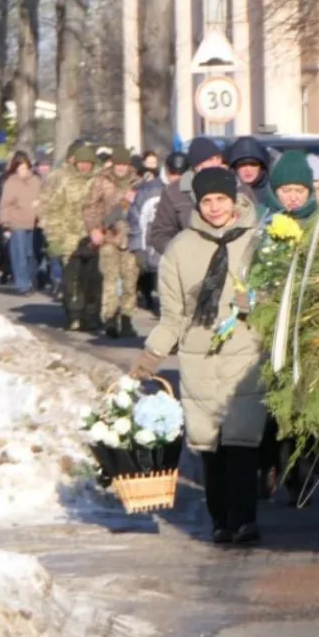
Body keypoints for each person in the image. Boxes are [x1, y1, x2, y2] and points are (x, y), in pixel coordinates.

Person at [132, 167, 267, 545]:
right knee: (207, 441)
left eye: (221, 200)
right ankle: (220, 519)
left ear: (234, 199)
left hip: (246, 349)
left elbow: (280, 295)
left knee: (242, 437)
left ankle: (245, 519)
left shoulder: (260, 241)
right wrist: (151, 355)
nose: (214, 208)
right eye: (207, 201)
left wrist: (257, 300)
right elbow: (172, 316)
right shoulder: (181, 249)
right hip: (198, 354)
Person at [254, 150, 319, 499]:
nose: (293, 197)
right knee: (270, 401)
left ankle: (302, 473)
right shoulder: (263, 222)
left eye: (300, 190)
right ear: (275, 191)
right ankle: (268, 464)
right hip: (269, 326)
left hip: (309, 325)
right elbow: (251, 271)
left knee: (305, 402)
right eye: (286, 190)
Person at [42, 144, 104, 330]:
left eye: (88, 163)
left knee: (94, 279)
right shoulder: (65, 182)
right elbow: (53, 210)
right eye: (81, 163)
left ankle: (92, 315)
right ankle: (74, 314)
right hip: (70, 238)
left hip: (95, 238)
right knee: (73, 280)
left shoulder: (100, 182)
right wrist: (53, 238)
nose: (84, 166)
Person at [85, 148, 141, 338]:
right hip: (109, 236)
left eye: (124, 164)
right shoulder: (101, 181)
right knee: (110, 280)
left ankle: (126, 319)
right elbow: (90, 206)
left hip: (131, 238)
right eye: (118, 164)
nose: (121, 168)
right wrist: (93, 229)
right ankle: (109, 319)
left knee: (130, 281)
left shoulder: (138, 183)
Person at [150, 137, 224, 256]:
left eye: (218, 158)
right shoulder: (175, 192)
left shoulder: (236, 186)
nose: (215, 163)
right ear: (196, 165)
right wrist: (181, 254)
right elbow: (160, 234)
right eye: (209, 159)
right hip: (190, 262)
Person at [0, 151, 42, 294]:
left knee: (30, 254)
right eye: (20, 168)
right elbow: (5, 205)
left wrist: (40, 209)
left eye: (26, 168)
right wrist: (6, 223)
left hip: (34, 223)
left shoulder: (36, 181)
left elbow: (44, 198)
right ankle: (22, 284)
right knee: (19, 254)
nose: (23, 171)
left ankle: (31, 280)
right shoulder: (11, 182)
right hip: (17, 223)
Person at [129, 154, 168, 312]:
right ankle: (147, 297)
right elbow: (137, 216)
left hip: (165, 237)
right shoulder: (144, 187)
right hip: (146, 236)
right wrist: (138, 246)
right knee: (146, 272)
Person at [225, 136, 271, 205]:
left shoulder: (272, 191)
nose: (248, 170)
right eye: (242, 165)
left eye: (253, 164)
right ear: (234, 168)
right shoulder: (226, 190)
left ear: (261, 167)